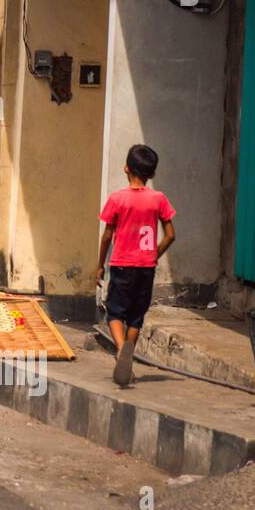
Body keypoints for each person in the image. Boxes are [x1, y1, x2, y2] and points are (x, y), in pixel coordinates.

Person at [95, 144, 177, 387]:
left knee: (115, 312)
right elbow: (171, 234)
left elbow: (107, 236)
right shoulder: (158, 199)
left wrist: (100, 265)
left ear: (126, 168)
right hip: (146, 267)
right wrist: (153, 254)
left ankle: (121, 351)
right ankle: (127, 353)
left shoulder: (117, 199)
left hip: (122, 265)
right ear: (151, 174)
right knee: (136, 316)